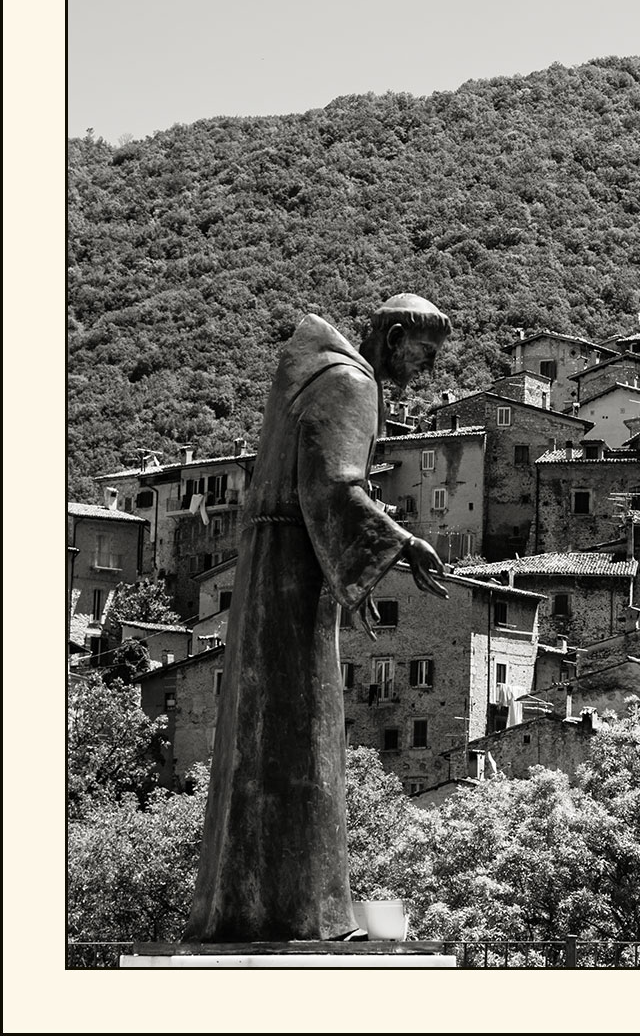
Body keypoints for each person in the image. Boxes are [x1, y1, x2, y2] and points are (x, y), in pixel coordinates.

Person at [186, 295, 451, 942]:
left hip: (271, 565)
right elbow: (334, 487)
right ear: (393, 337)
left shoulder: (317, 376)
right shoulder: (353, 383)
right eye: (425, 354)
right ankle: (308, 911)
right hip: (295, 577)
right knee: (302, 736)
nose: (427, 369)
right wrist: (402, 541)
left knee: (262, 738)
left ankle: (255, 906)